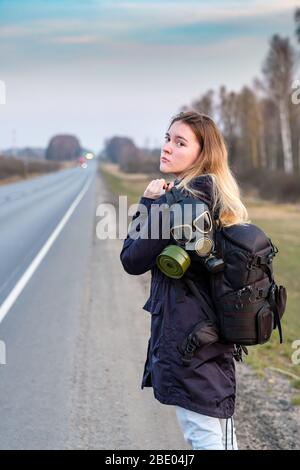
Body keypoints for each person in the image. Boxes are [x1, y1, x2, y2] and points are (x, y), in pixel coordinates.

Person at [120, 110, 249, 450]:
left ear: (202, 154)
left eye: (180, 143)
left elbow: (131, 259)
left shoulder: (176, 203)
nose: (167, 148)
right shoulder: (216, 196)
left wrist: (148, 203)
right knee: (216, 433)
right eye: (167, 139)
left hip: (191, 342)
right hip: (211, 338)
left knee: (204, 435)